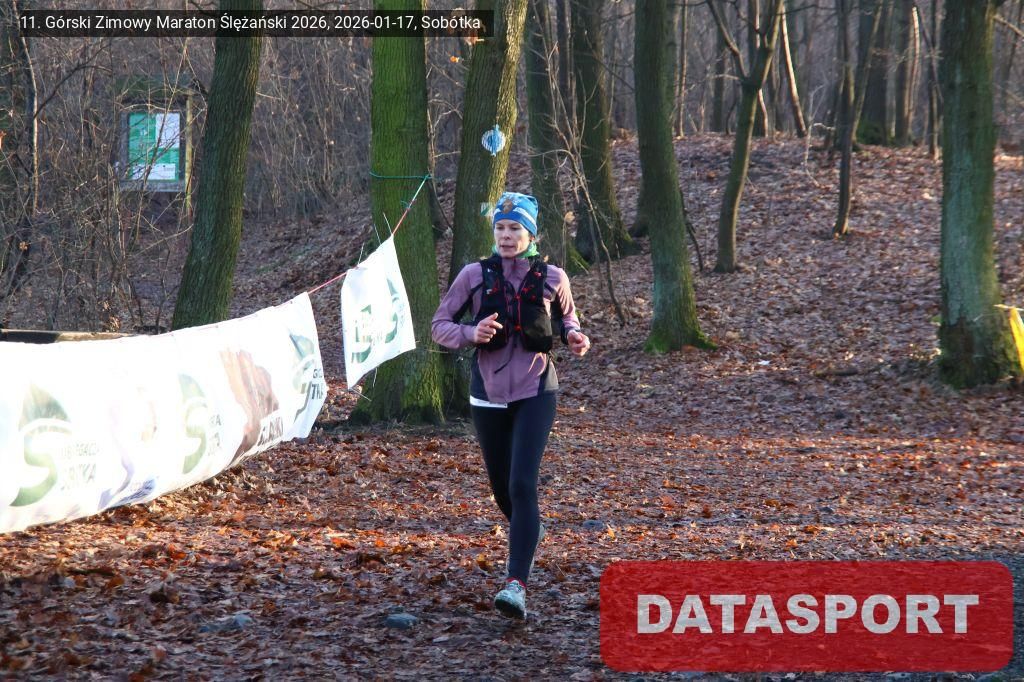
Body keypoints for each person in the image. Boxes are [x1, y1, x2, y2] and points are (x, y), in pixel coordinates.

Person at [431, 191, 591, 620]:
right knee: (502, 489)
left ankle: (515, 585)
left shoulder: (554, 277)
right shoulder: (473, 275)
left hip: (537, 390)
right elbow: (439, 325)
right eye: (500, 228)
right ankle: (530, 531)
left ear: (530, 234)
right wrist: (470, 333)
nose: (505, 235)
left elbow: (568, 319)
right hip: (486, 394)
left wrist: (575, 336)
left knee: (522, 485)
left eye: (514, 228)